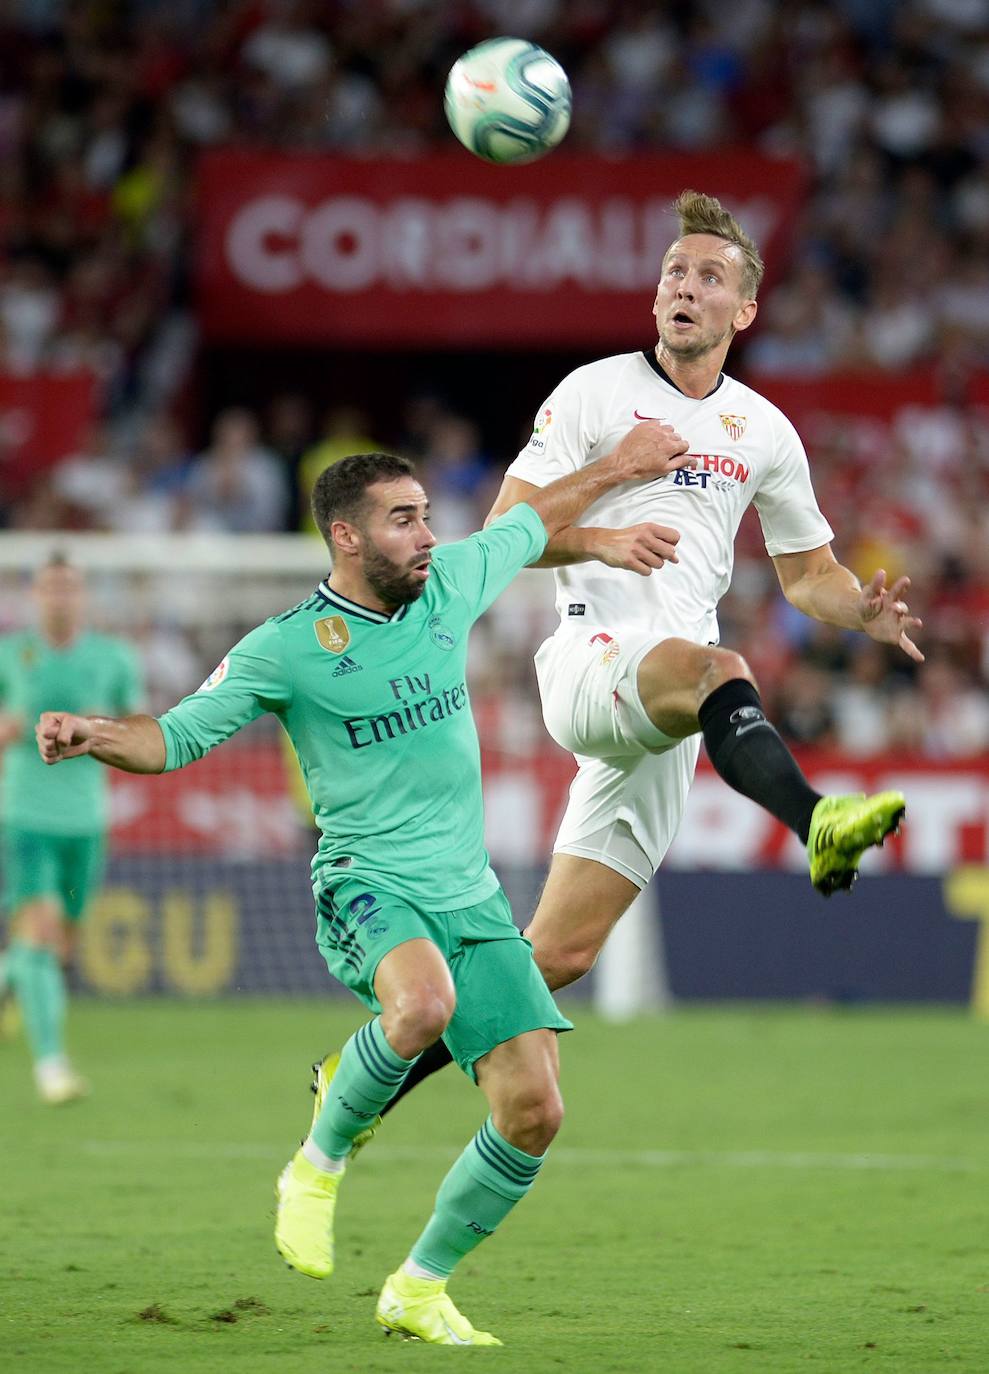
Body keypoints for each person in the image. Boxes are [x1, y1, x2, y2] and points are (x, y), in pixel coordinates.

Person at [35, 427, 692, 1345]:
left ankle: (418, 1287)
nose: (426, 534)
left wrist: (612, 488)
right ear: (346, 537)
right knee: (421, 1004)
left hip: (469, 895)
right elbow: (175, 737)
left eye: (426, 515)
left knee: (536, 1108)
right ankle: (316, 1162)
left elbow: (530, 519)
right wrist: (95, 734)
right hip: (365, 879)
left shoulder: (450, 581)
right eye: (402, 520)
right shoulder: (285, 647)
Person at [363, 188, 922, 1115]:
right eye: (674, 271)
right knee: (721, 670)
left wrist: (856, 613)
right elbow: (501, 532)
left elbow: (807, 574)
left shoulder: (763, 432)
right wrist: (596, 538)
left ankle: (363, 1078)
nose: (685, 286)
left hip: (671, 703)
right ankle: (817, 823)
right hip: (589, 656)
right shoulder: (594, 393)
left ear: (743, 310)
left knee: (554, 957)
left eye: (709, 277)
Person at [0, 555, 143, 1103]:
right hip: (25, 817)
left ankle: (11, 979)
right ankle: (52, 1067)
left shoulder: (113, 658)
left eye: (69, 588)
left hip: (86, 820)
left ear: (83, 596)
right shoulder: (12, 654)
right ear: (34, 595)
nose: (59, 597)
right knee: (38, 930)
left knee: (59, 945)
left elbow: (138, 727)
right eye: (49, 588)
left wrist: (99, 727)